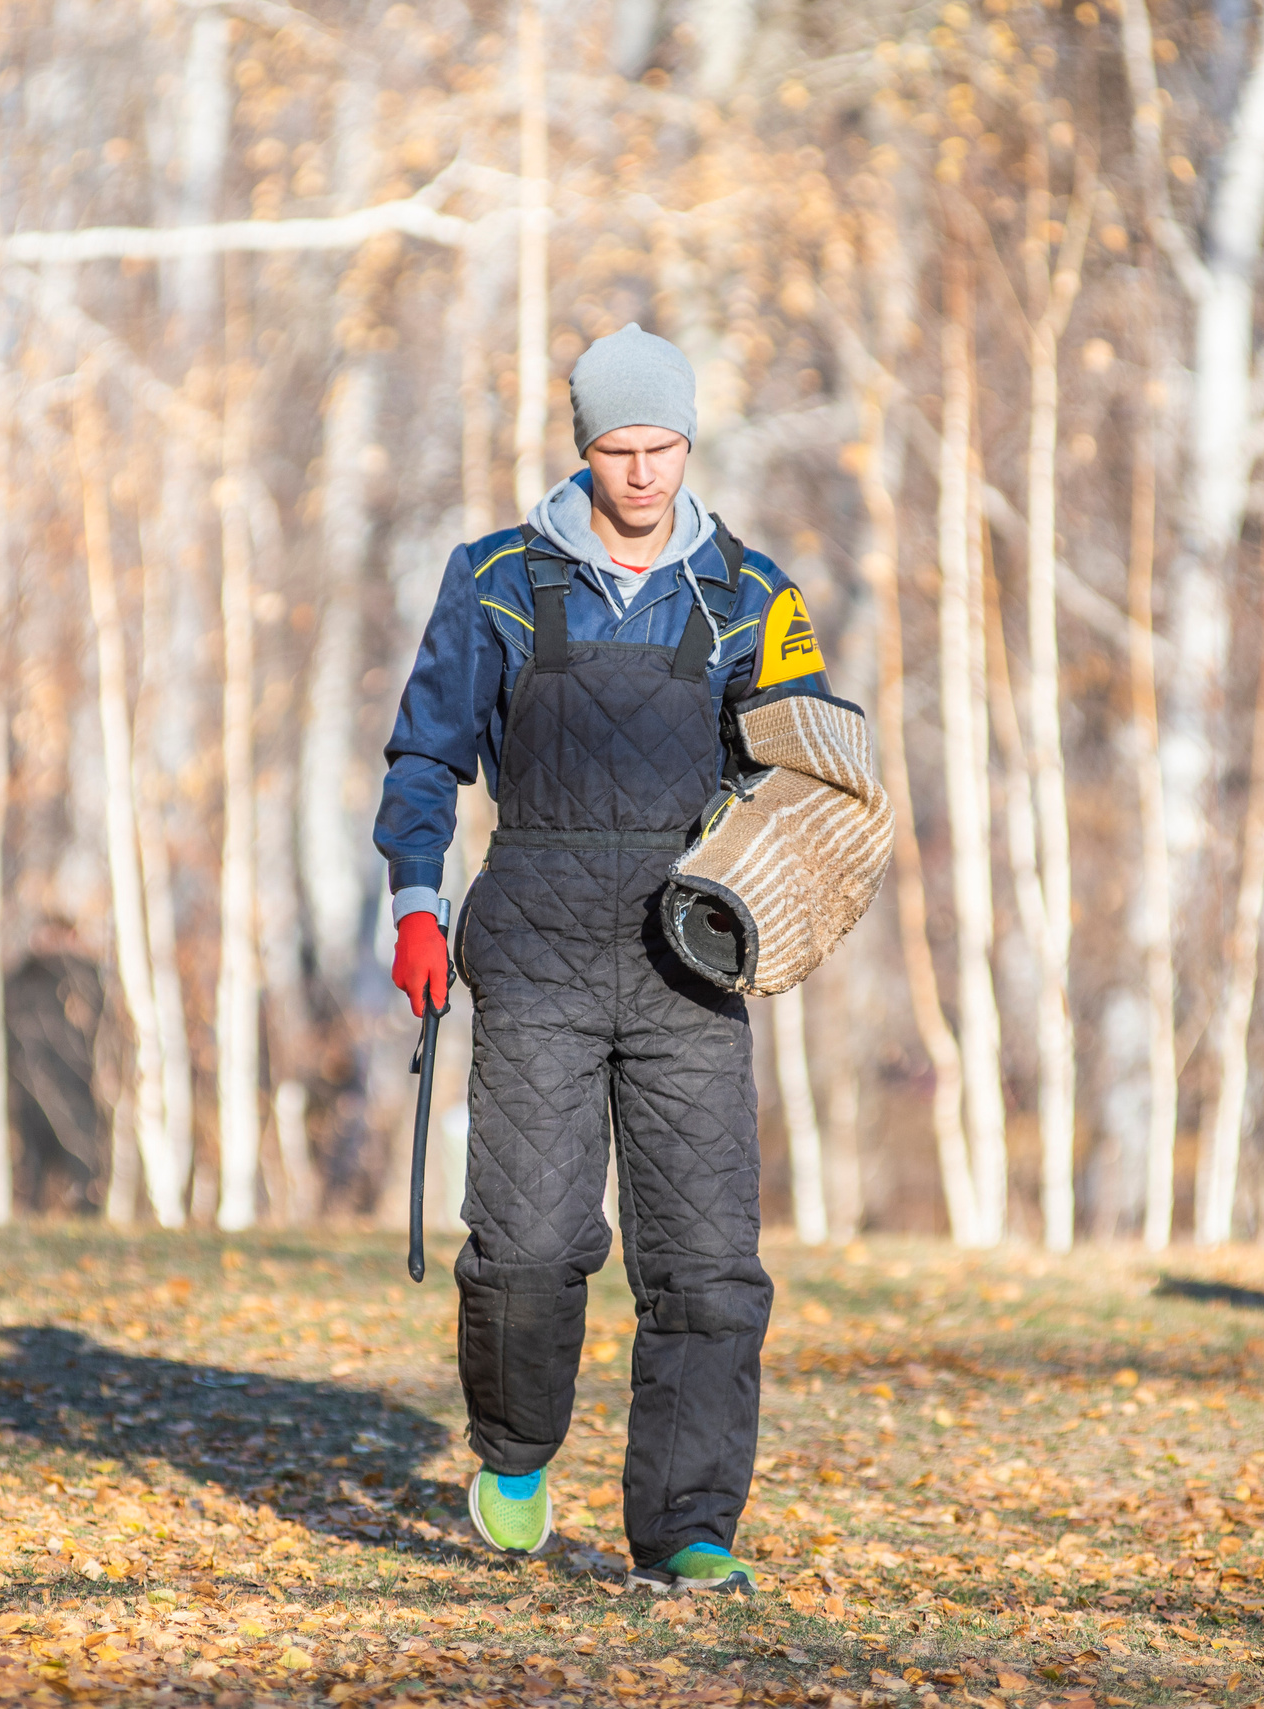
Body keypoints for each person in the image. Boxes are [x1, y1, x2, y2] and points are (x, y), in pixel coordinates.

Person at [376, 325, 837, 1594]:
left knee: (704, 1261)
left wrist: (796, 869)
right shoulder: (496, 579)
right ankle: (518, 1446)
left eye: (662, 447)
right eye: (617, 448)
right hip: (535, 943)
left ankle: (689, 1525)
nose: (641, 472)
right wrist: (415, 901)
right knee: (525, 1242)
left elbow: (803, 769)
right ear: (584, 447)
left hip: (690, 956)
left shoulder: (751, 594)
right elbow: (425, 753)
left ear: (689, 443)